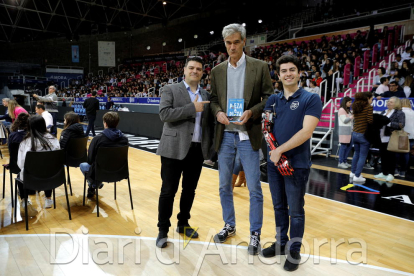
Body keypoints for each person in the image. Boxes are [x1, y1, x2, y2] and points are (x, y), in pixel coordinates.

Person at [210, 23, 273, 255]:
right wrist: (217, 112)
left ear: (244, 41)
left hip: (248, 135)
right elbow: (214, 99)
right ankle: (229, 224)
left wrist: (253, 112)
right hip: (225, 135)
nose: (232, 47)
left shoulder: (260, 66)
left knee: (254, 187)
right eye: (228, 43)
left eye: (236, 42)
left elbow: (269, 97)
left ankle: (255, 233)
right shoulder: (217, 71)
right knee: (224, 186)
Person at [261, 55, 322, 272]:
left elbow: (306, 131)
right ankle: (280, 243)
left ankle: (294, 250)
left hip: (297, 164)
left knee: (296, 210)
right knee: (278, 207)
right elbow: (266, 129)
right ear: (278, 75)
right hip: (274, 164)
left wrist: (279, 150)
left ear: (299, 73)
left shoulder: (310, 99)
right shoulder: (273, 100)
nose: (288, 73)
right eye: (284, 70)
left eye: (292, 70)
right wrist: (273, 153)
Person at [155, 56, 212, 248]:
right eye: (191, 68)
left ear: (202, 72)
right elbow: (164, 114)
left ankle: (183, 224)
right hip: (173, 149)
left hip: (196, 150)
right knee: (168, 191)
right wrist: (191, 108)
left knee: (189, 190)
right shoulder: (170, 89)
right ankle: (163, 229)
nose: (194, 71)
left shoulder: (205, 94)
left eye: (198, 69)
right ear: (184, 70)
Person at [17, 115, 60, 212]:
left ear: (29, 126)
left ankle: (25, 200)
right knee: (47, 169)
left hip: (31, 177)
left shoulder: (25, 142)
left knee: (19, 175)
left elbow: (20, 164)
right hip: (53, 176)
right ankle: (48, 199)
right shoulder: (54, 139)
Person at [80, 112, 128, 198]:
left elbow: (90, 160)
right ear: (117, 123)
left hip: (101, 172)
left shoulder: (97, 139)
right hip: (119, 172)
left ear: (105, 123)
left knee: (83, 165)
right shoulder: (124, 139)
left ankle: (94, 184)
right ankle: (94, 184)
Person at [8, 113, 33, 217]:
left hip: (16, 165)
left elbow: (11, 152)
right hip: (34, 166)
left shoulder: (12, 135)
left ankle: (24, 198)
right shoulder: (34, 136)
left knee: (21, 172)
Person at [374, 97, 405, 182]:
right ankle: (384, 172)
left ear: (396, 103)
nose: (388, 103)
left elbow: (401, 125)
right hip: (381, 136)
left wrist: (389, 123)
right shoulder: (384, 111)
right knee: (383, 155)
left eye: (391, 102)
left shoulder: (399, 113)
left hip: (391, 137)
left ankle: (391, 173)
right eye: (388, 102)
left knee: (391, 156)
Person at [350, 92, 373, 183]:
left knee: (356, 154)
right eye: (371, 98)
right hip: (363, 134)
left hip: (355, 133)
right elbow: (370, 120)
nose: (372, 100)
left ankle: (353, 172)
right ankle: (357, 176)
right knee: (363, 156)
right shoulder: (368, 107)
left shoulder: (355, 106)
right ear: (367, 98)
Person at [395, 99, 414, 177]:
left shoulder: (400, 112)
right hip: (412, 135)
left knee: (397, 153)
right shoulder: (413, 112)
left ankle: (396, 170)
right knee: (406, 153)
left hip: (402, 134)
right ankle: (403, 171)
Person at [338, 97, 353, 168]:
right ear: (345, 102)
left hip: (350, 130)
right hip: (344, 130)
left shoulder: (348, 110)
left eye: (351, 102)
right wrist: (352, 116)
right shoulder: (341, 109)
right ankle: (340, 162)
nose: (351, 103)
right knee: (343, 146)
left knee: (349, 147)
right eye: (349, 102)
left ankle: (344, 161)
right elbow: (345, 120)